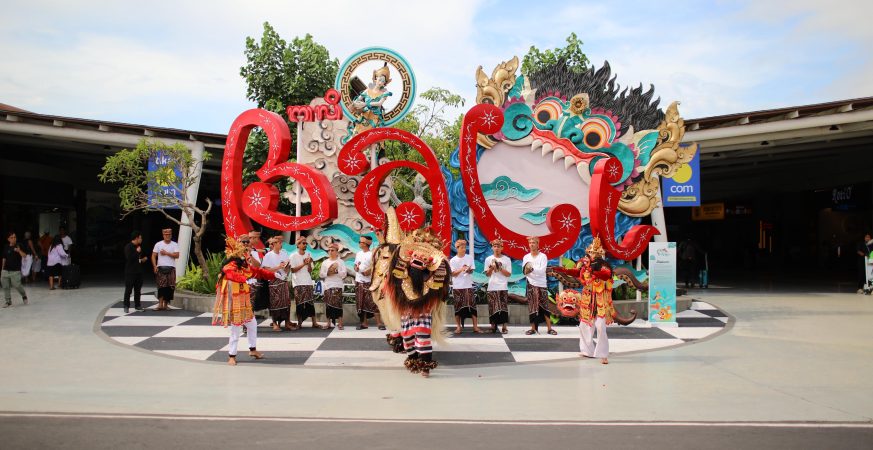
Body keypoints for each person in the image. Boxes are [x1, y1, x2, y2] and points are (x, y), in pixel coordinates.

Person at [212, 236, 282, 366]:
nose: (246, 254)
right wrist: (243, 278)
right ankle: (231, 356)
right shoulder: (230, 265)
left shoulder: (243, 265)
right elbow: (231, 274)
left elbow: (256, 271)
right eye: (244, 251)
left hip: (244, 299)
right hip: (235, 300)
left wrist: (272, 274)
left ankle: (252, 350)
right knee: (236, 328)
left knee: (252, 324)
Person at [523, 236, 557, 335]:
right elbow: (525, 271)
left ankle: (549, 328)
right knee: (532, 306)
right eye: (530, 243)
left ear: (538, 244)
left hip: (541, 284)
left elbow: (542, 271)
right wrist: (532, 270)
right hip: (531, 283)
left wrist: (532, 269)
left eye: (534, 242)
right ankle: (533, 328)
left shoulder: (543, 256)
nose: (532, 244)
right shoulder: (526, 257)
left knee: (545, 306)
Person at [288, 237, 325, 329]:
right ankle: (300, 323)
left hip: (308, 282)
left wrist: (308, 263)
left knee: (310, 303)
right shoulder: (293, 256)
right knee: (299, 303)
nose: (305, 245)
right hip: (298, 283)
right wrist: (303, 264)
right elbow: (292, 270)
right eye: (303, 243)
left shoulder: (308, 254)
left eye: (305, 244)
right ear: (298, 245)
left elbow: (310, 270)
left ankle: (314, 322)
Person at [261, 236, 296, 331]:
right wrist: (278, 267)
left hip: (283, 280)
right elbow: (265, 269)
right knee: (275, 302)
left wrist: (286, 268)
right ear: (274, 244)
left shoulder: (284, 254)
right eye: (279, 243)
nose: (281, 244)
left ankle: (287, 323)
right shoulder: (268, 255)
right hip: (273, 280)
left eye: (281, 242)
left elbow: (287, 267)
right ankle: (275, 324)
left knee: (286, 301)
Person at [450, 238, 481, 334]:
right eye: (462, 247)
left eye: (465, 247)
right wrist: (462, 269)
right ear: (457, 248)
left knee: (472, 306)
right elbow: (453, 274)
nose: (464, 249)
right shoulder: (453, 260)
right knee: (458, 307)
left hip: (468, 285)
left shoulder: (469, 258)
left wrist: (469, 270)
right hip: (458, 286)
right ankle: (458, 327)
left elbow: (472, 270)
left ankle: (475, 327)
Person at [354, 235, 384, 330]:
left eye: (361, 242)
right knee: (360, 303)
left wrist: (369, 271)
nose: (359, 243)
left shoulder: (372, 254)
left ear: (366, 244)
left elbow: (377, 266)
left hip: (369, 282)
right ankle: (364, 323)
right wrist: (356, 268)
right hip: (359, 281)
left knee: (373, 302)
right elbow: (355, 265)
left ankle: (379, 323)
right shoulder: (358, 253)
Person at [484, 239, 511, 334]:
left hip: (503, 286)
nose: (496, 248)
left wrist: (499, 268)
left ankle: (504, 326)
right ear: (492, 247)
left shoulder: (506, 259)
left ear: (502, 248)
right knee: (492, 306)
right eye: (495, 246)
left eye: (498, 246)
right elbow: (487, 274)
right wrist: (492, 267)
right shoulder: (488, 259)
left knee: (503, 306)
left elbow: (508, 274)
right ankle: (493, 326)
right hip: (492, 286)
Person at [319, 243, 348, 329]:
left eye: (332, 250)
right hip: (328, 285)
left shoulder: (341, 262)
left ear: (337, 252)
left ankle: (340, 323)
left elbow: (344, 274)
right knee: (328, 305)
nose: (330, 252)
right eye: (329, 250)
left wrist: (336, 271)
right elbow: (321, 274)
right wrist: (328, 273)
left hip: (337, 285)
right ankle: (328, 323)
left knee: (338, 304)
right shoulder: (325, 262)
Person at [151, 228, 180, 311]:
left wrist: (166, 253)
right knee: (161, 287)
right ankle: (160, 304)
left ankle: (166, 304)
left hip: (171, 267)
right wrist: (154, 266)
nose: (167, 236)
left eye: (169, 235)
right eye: (165, 234)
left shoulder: (175, 244)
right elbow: (153, 255)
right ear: (163, 235)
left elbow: (177, 255)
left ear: (171, 235)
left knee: (170, 287)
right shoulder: (158, 244)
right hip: (160, 267)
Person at [123, 231, 148, 313]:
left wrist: (143, 259)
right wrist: (137, 252)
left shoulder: (140, 246)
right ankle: (126, 305)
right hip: (130, 272)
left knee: (138, 290)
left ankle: (137, 305)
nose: (141, 239)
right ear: (136, 238)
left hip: (139, 272)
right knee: (128, 289)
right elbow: (129, 258)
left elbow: (142, 257)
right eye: (140, 238)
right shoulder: (128, 247)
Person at [2, 232, 28, 307]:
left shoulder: (19, 245)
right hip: (6, 270)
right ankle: (8, 301)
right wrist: (2, 269)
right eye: (12, 237)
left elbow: (25, 256)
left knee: (17, 285)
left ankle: (23, 295)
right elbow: (4, 258)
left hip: (15, 271)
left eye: (15, 237)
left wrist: (19, 251)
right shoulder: (6, 247)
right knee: (5, 286)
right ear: (8, 239)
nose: (14, 239)